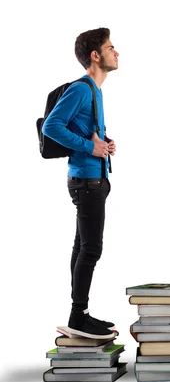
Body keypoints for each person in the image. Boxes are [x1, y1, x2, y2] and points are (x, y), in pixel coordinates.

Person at [42, 28, 119, 339]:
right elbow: (51, 126)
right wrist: (90, 147)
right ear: (95, 55)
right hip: (86, 182)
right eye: (111, 47)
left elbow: (83, 131)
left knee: (82, 248)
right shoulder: (83, 89)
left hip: (92, 179)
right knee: (91, 250)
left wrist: (104, 144)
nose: (117, 52)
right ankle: (78, 316)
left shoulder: (95, 91)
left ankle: (80, 313)